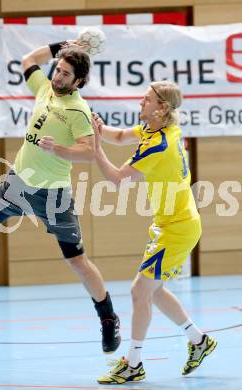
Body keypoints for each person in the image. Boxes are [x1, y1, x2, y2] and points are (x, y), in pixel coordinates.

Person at [0, 40, 121, 354]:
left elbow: (88, 152)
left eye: (66, 74)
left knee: (77, 260)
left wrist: (60, 149)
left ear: (78, 81)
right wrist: (59, 46)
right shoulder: (44, 88)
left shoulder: (78, 110)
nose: (58, 76)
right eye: (58, 70)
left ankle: (107, 318)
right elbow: (28, 59)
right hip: (19, 182)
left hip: (54, 194)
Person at [93, 81, 217, 384]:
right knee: (154, 291)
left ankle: (133, 363)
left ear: (161, 107)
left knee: (140, 291)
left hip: (178, 228)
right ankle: (199, 340)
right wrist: (98, 128)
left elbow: (118, 180)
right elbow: (121, 136)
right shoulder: (157, 130)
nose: (140, 102)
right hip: (170, 223)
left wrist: (94, 148)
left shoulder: (157, 145)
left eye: (146, 99)